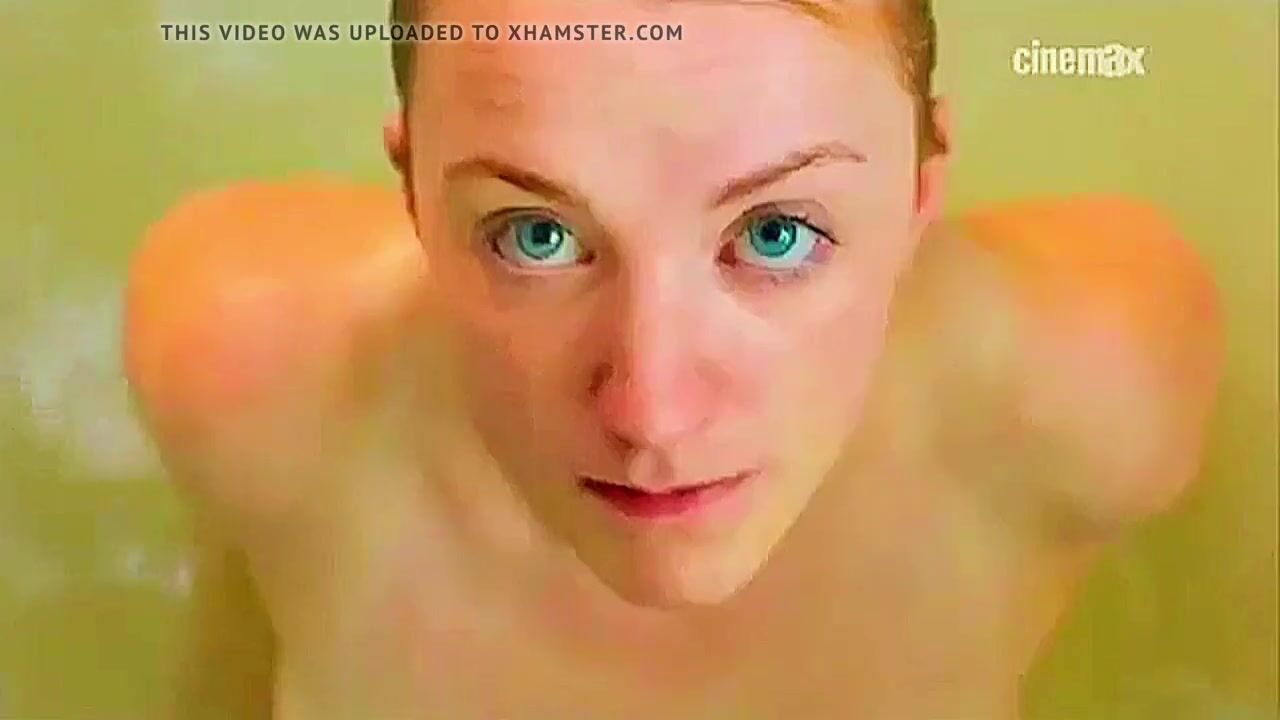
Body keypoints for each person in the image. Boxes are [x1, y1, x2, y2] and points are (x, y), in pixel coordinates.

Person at [123, 0, 1224, 718]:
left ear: (918, 189)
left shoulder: (1095, 392)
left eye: (776, 234)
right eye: (534, 235)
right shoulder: (252, 378)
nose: (651, 412)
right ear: (411, 190)